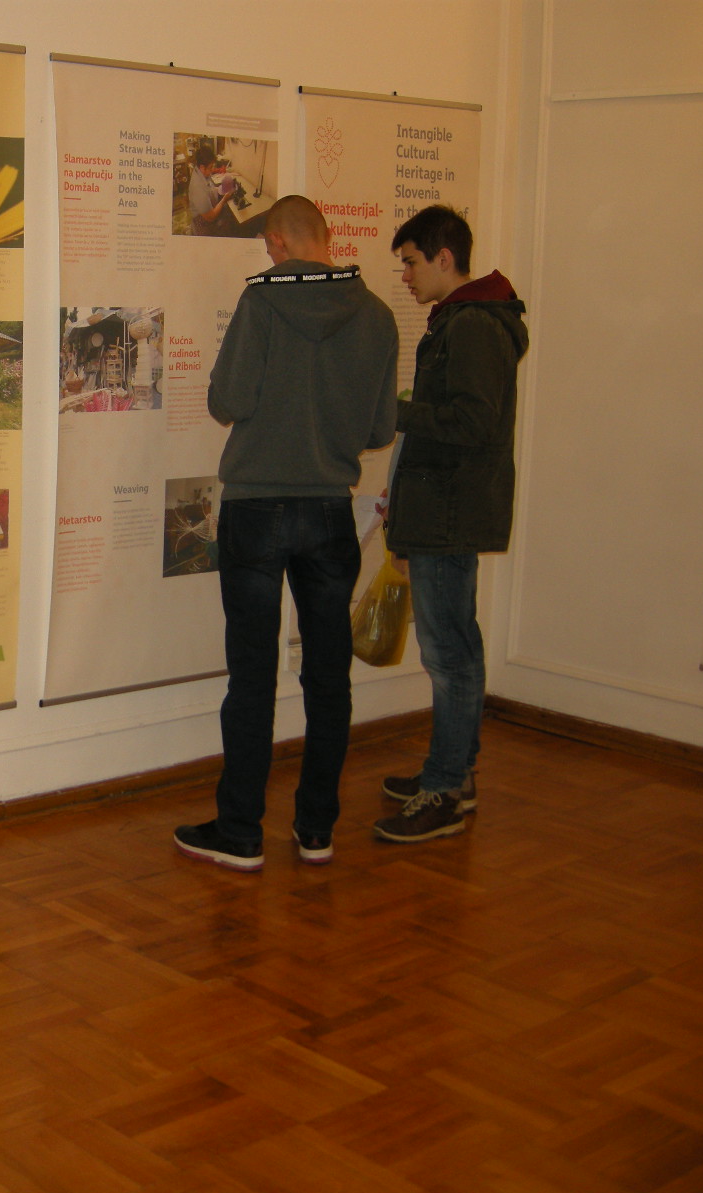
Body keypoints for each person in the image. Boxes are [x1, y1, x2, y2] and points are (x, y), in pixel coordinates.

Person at [174, 195, 398, 872]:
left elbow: (228, 402)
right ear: (327, 238)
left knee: (252, 674)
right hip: (329, 510)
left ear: (276, 241)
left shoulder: (262, 301)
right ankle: (316, 829)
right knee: (328, 677)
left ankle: (241, 831)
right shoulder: (378, 315)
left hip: (257, 506)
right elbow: (379, 429)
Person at [373, 205, 528, 844]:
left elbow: (471, 423)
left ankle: (443, 792)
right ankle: (454, 773)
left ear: (444, 257)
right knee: (455, 647)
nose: (406, 276)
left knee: (448, 655)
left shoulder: (473, 326)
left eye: (411, 262)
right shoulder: (464, 319)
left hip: (450, 512)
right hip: (444, 509)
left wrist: (396, 411)